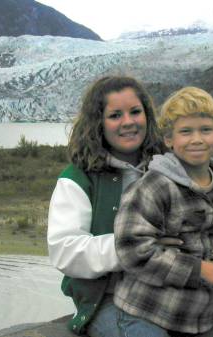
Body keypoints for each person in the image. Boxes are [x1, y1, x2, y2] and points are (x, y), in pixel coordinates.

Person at [113, 87, 213, 337]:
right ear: (169, 139)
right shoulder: (152, 187)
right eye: (185, 131)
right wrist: (201, 269)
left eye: (205, 130)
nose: (197, 139)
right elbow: (131, 249)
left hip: (200, 319)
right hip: (147, 313)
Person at [47, 76, 167, 337]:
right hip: (107, 299)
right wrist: (137, 248)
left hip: (168, 293)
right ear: (98, 122)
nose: (128, 122)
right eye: (115, 115)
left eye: (135, 112)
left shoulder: (167, 168)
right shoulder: (77, 178)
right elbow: (65, 250)